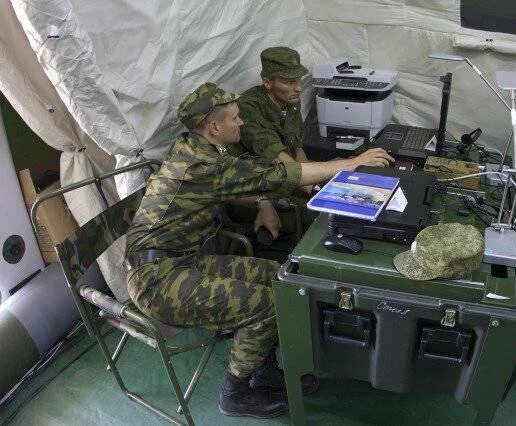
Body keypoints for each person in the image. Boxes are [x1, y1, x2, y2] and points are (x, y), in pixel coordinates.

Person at [125, 82, 393, 418]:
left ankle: (264, 372)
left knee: (277, 278)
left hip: (178, 263)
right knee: (266, 306)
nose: (241, 123)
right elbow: (284, 174)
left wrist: (264, 203)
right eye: (235, 119)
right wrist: (352, 162)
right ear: (214, 128)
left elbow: (237, 184)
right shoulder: (202, 165)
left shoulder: (193, 149)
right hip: (156, 282)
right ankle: (234, 394)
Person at [227, 46, 308, 164]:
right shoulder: (248, 107)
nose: (299, 88)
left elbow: (296, 147)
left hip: (286, 167)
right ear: (267, 83)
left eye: (299, 79)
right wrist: (307, 176)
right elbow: (273, 152)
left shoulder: (290, 100)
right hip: (258, 173)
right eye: (289, 82)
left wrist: (309, 169)